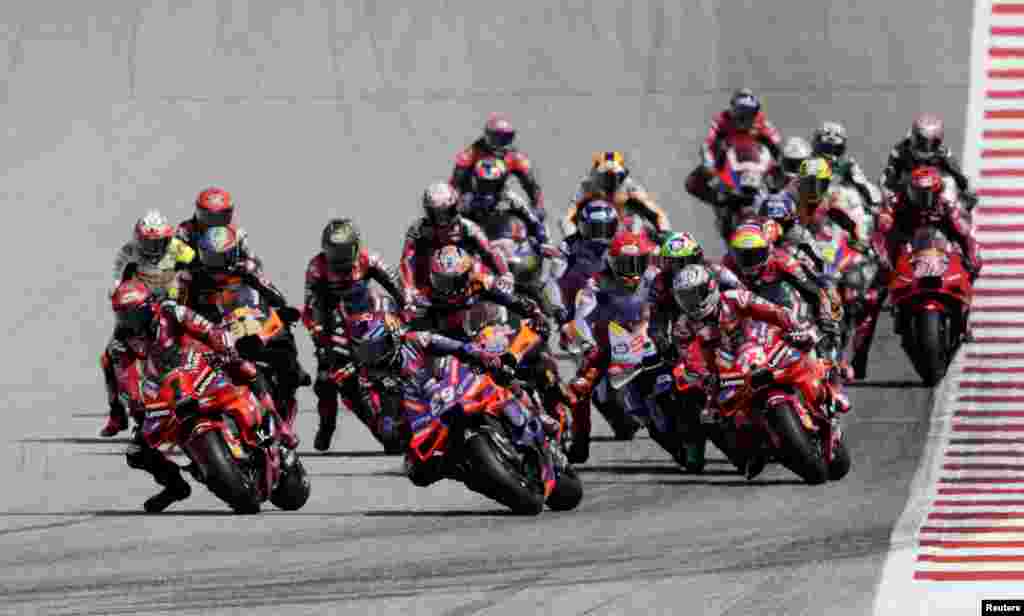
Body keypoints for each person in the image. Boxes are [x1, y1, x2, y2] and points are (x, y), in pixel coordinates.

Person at [105, 280, 284, 512]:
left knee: (245, 368)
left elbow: (207, 329)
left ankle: (276, 421)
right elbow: (126, 378)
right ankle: (175, 486)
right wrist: (135, 403)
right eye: (122, 315)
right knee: (136, 452)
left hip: (202, 364)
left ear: (149, 307)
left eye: (133, 314)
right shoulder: (120, 342)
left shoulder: (171, 311)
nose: (129, 321)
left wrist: (224, 347)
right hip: (168, 389)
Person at [668, 265, 819, 478]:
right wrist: (703, 377)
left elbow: (773, 311)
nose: (690, 303)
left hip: (762, 347)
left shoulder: (735, 297)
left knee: (808, 349)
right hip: (726, 371)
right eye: (684, 298)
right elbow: (689, 357)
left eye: (694, 295)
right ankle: (746, 454)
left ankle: (826, 391)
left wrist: (795, 327)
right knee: (709, 414)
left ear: (710, 288)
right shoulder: (683, 327)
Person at [338, 312, 505, 486]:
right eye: (364, 351)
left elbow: (452, 345)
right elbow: (376, 408)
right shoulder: (367, 376)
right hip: (421, 417)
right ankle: (464, 473)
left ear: (394, 337)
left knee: (501, 375)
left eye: (376, 348)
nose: (371, 356)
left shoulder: (415, 339)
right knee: (416, 473)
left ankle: (516, 412)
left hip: (449, 389)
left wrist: (477, 353)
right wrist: (386, 422)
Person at [186, 225, 307, 441]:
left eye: (221, 258)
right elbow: (184, 309)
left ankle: (289, 390)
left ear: (233, 253)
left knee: (286, 355)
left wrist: (279, 304)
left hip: (254, 326)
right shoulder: (195, 278)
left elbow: (273, 294)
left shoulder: (247, 268)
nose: (216, 264)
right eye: (210, 258)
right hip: (220, 333)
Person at [564, 229, 661, 462]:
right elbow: (582, 314)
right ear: (611, 262)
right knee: (579, 388)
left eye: (637, 263)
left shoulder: (654, 277)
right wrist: (586, 342)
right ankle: (580, 441)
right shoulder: (596, 282)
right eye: (625, 264)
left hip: (651, 338)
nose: (632, 270)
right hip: (609, 345)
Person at [100, 210, 195, 437]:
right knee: (109, 356)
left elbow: (199, 266)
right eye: (147, 242)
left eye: (158, 242)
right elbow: (117, 275)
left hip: (174, 308)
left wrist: (187, 277)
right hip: (140, 310)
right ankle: (117, 413)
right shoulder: (129, 250)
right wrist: (117, 289)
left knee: (197, 344)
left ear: (168, 238)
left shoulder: (180, 248)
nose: (153, 248)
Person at [400, 182, 513, 304]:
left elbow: (489, 251)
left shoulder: (468, 227)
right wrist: (409, 287)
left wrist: (505, 273)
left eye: (447, 212)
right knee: (406, 303)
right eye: (437, 214)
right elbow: (407, 259)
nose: (442, 219)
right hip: (430, 287)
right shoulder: (418, 229)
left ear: (455, 208)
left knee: (502, 293)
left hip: (468, 282)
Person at [416, 245, 547, 338]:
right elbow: (413, 314)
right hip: (451, 336)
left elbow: (511, 300)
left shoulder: (481, 281)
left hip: (487, 329)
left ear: (466, 276)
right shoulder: (427, 291)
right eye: (440, 280)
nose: (446, 287)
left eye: (452, 282)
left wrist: (533, 312)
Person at [649, 232, 742, 354]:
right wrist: (662, 343)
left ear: (696, 258)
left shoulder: (716, 270)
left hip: (722, 323)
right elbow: (656, 318)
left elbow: (741, 292)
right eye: (672, 263)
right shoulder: (660, 282)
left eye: (682, 262)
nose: (677, 268)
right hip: (687, 334)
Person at [686, 88, 782, 202]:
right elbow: (707, 145)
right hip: (728, 162)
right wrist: (709, 164)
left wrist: (780, 164)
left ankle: (780, 203)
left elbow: (776, 144)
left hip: (756, 162)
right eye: (741, 111)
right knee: (692, 183)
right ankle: (720, 200)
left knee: (782, 180)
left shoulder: (761, 121)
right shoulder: (721, 120)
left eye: (750, 112)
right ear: (733, 109)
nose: (746, 116)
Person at [450, 113, 545, 217]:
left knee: (525, 214)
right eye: (497, 138)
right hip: (470, 197)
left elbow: (532, 185)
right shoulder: (471, 153)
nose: (502, 142)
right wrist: (453, 205)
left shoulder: (515, 157)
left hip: (499, 198)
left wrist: (538, 206)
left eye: (506, 138)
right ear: (488, 136)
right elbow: (454, 182)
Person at [545, 199, 620, 329]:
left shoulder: (622, 246)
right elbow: (552, 279)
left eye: (604, 229)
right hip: (577, 303)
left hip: (611, 305)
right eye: (594, 230)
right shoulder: (569, 244)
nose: (599, 236)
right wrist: (558, 308)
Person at [561, 151, 670, 238]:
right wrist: (571, 239)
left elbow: (657, 213)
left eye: (615, 177)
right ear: (595, 175)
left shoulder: (631, 187)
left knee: (641, 226)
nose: (610, 182)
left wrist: (664, 234)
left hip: (627, 237)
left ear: (623, 175)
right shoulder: (587, 186)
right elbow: (568, 217)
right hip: (594, 236)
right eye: (605, 177)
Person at [880, 113, 978, 210]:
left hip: (936, 196)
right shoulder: (901, 150)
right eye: (921, 141)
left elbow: (957, 173)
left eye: (933, 142)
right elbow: (890, 173)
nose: (926, 147)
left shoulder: (943, 153)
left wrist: (967, 190)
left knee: (951, 187)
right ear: (913, 137)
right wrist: (887, 193)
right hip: (907, 195)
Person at [460, 157, 549, 249]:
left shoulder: (510, 198)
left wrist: (543, 239)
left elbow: (532, 220)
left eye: (492, 184)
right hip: (483, 247)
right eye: (483, 184)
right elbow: (457, 225)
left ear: (501, 182)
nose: (488, 189)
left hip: (513, 244)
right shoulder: (467, 201)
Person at [810, 121, 882, 209]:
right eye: (825, 148)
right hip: (812, 210)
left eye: (835, 149)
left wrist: (875, 205)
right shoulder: (808, 164)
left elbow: (872, 194)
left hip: (840, 211)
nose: (830, 154)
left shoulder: (847, 165)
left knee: (849, 192)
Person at [175, 187, 258, 260]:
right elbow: (173, 255)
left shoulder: (237, 231)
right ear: (198, 211)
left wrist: (250, 263)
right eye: (208, 217)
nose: (214, 223)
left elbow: (250, 256)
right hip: (195, 269)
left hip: (228, 269)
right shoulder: (185, 229)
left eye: (221, 217)